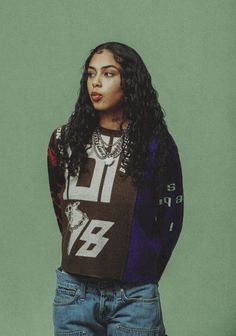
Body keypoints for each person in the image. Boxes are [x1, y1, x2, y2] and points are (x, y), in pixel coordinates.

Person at [47, 41, 184, 336]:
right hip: (73, 293)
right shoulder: (64, 140)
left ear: (130, 82)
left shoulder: (155, 144)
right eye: (90, 73)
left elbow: (171, 218)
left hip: (134, 295)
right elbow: (61, 208)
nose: (96, 82)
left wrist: (144, 270)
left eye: (108, 74)